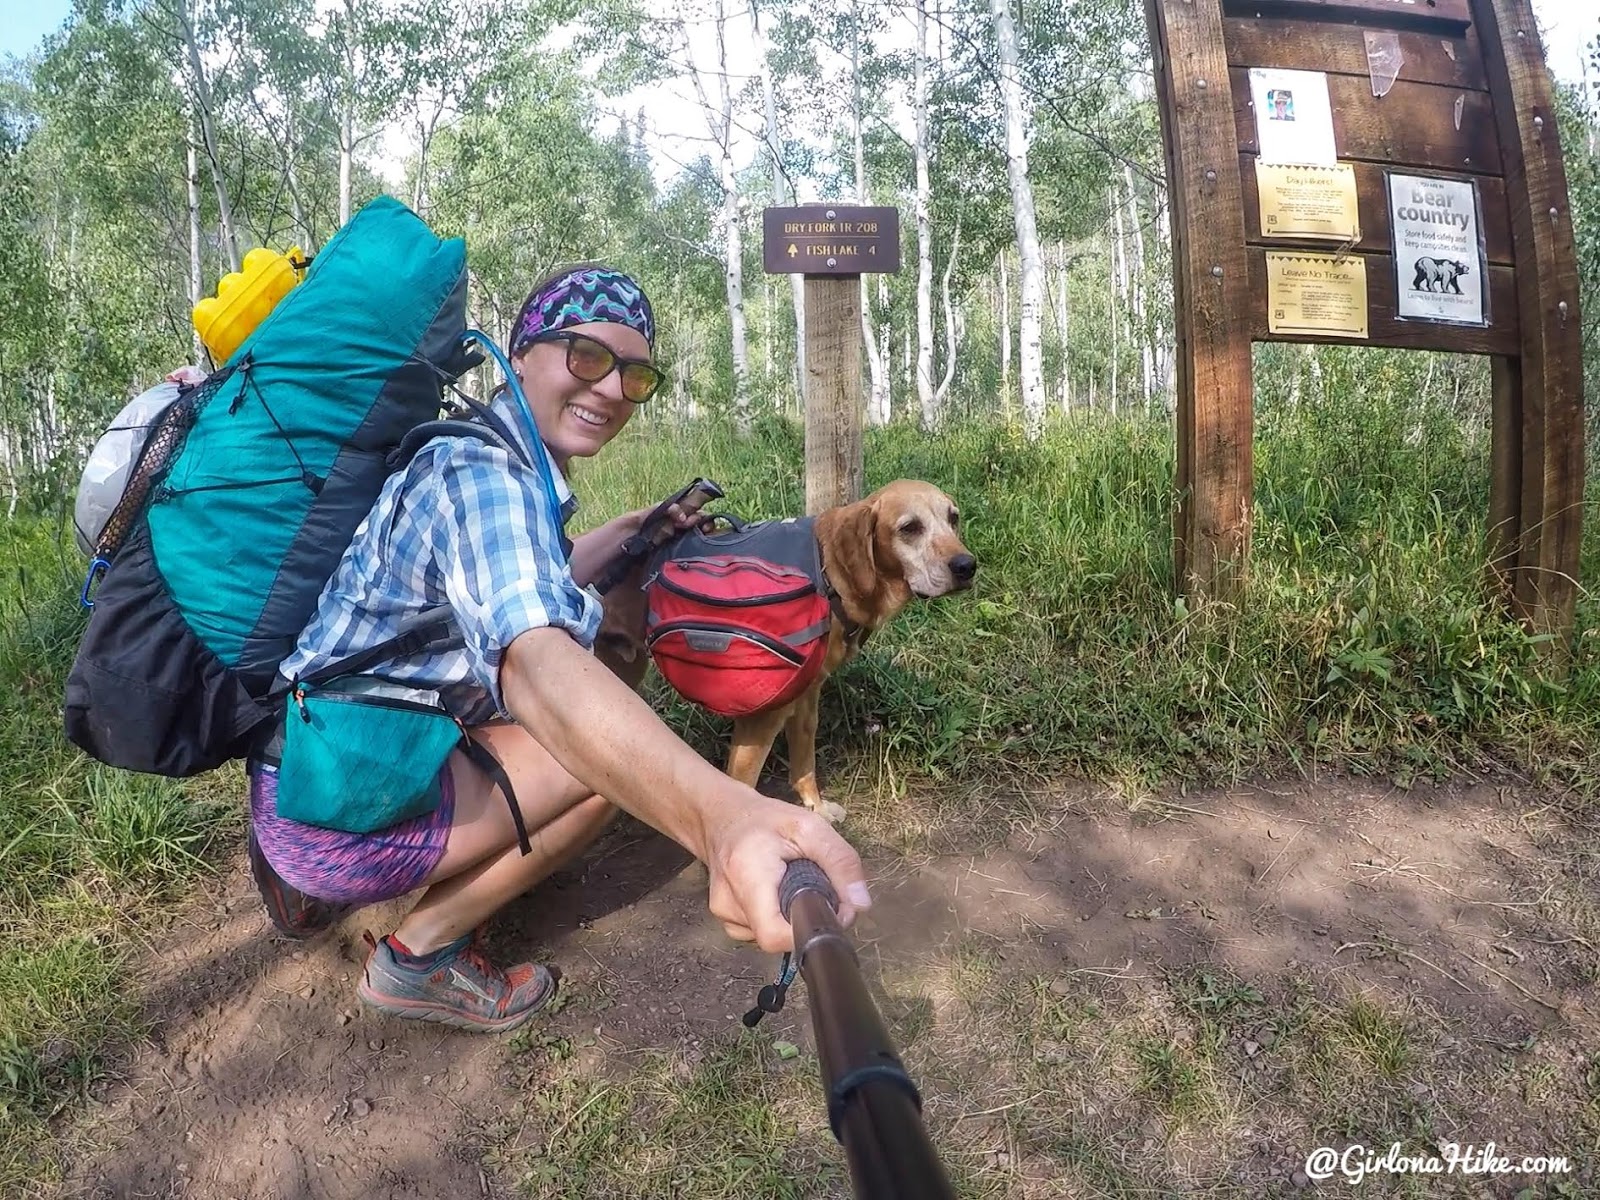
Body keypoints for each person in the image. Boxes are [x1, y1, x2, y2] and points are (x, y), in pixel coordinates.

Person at [245, 263, 870, 1033]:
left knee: (596, 704)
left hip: (321, 759)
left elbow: (513, 584)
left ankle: (316, 877)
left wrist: (630, 533)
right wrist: (720, 815)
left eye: (635, 376)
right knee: (602, 760)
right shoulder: (482, 475)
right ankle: (418, 958)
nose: (611, 390)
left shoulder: (487, 453)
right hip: (333, 808)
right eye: (586, 357)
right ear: (523, 351)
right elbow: (537, 664)